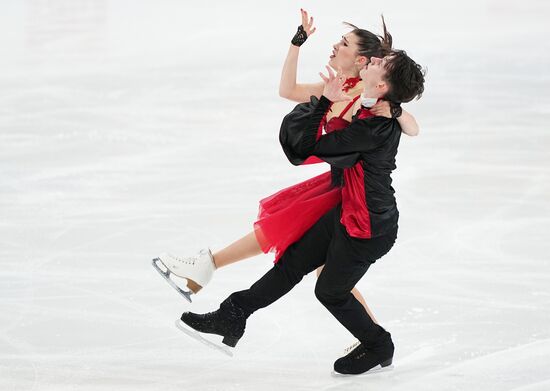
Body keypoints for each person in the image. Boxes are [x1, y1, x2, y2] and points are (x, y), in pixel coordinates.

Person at [153, 10, 418, 328]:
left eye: (344, 43)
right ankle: (206, 270)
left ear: (361, 60)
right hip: (341, 183)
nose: (335, 46)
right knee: (319, 265)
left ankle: (205, 269)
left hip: (347, 191)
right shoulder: (340, 86)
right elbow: (288, 90)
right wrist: (297, 44)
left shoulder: (366, 94)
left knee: (285, 231)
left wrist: (397, 110)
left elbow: (412, 128)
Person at [176, 50, 426, 375]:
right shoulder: (377, 111)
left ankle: (379, 345)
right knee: (291, 262)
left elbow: (310, 146)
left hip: (367, 229)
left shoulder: (371, 128)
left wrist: (324, 102)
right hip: (349, 213)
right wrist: (389, 108)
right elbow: (401, 121)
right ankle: (232, 315)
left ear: (381, 86)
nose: (373, 60)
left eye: (380, 64)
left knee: (329, 292)